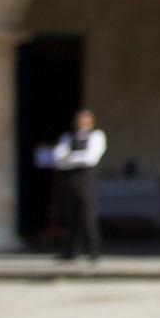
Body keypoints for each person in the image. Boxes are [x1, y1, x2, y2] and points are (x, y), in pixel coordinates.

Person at [51, 109, 106, 262]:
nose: (81, 122)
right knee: (70, 215)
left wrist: (69, 157)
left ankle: (93, 250)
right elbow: (58, 158)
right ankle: (72, 250)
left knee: (88, 215)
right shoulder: (67, 137)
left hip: (86, 180)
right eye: (79, 120)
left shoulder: (96, 136)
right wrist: (74, 158)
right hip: (69, 180)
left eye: (85, 120)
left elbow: (91, 158)